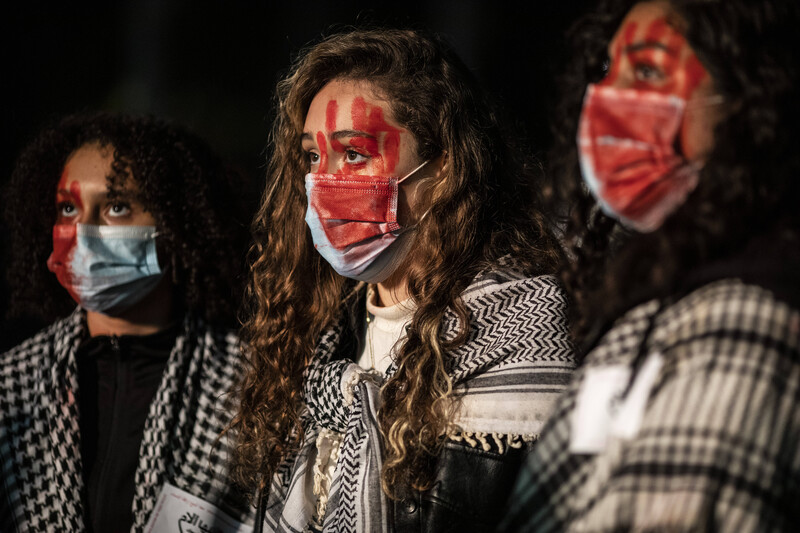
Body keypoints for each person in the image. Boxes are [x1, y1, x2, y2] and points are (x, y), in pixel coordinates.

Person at [228, 29, 576, 533]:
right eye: (310, 157)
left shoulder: (522, 333)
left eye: (353, 153)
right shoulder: (315, 334)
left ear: (445, 168)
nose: (322, 183)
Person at [501, 0, 800, 531]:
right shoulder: (662, 296)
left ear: (749, 97)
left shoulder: (748, 315)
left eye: (647, 72)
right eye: (605, 72)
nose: (609, 100)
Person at [0, 112, 255, 532]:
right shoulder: (12, 387)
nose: (83, 232)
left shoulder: (250, 388)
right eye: (68, 208)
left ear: (178, 225)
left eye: (117, 207)